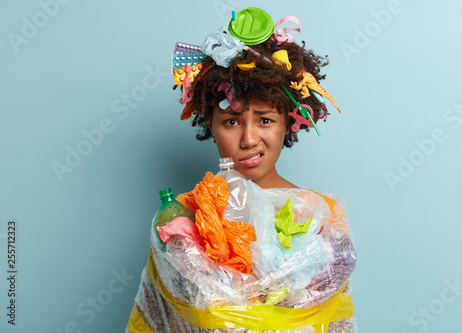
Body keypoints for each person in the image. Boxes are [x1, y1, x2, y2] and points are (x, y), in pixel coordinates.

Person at [127, 7, 356, 333]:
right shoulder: (180, 219)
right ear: (210, 123)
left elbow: (336, 323)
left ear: (288, 122)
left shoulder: (323, 215)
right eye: (231, 121)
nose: (249, 139)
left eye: (265, 120)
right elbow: (156, 319)